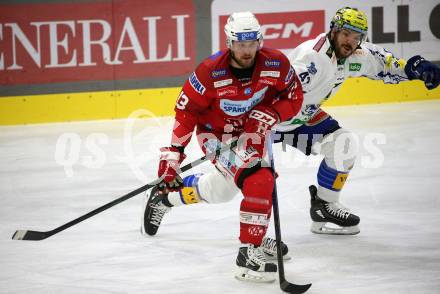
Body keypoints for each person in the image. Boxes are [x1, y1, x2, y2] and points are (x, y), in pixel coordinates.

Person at [141, 11, 303, 282]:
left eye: (252, 43)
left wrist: (274, 113)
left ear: (259, 41)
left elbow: (294, 95)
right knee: (259, 179)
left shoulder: (276, 63)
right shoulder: (210, 71)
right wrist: (173, 154)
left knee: (223, 191)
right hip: (217, 136)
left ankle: (166, 197)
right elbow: (186, 112)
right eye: (241, 44)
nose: (247, 50)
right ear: (229, 43)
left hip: (253, 134)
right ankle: (248, 253)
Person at [274, 7, 440, 235]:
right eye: (346, 34)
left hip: (303, 118)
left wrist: (414, 69)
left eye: (356, 37)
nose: (350, 41)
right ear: (333, 30)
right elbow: (275, 91)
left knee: (343, 144)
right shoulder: (312, 59)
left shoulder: (356, 55)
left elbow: (385, 64)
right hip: (271, 118)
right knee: (228, 180)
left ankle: (324, 206)